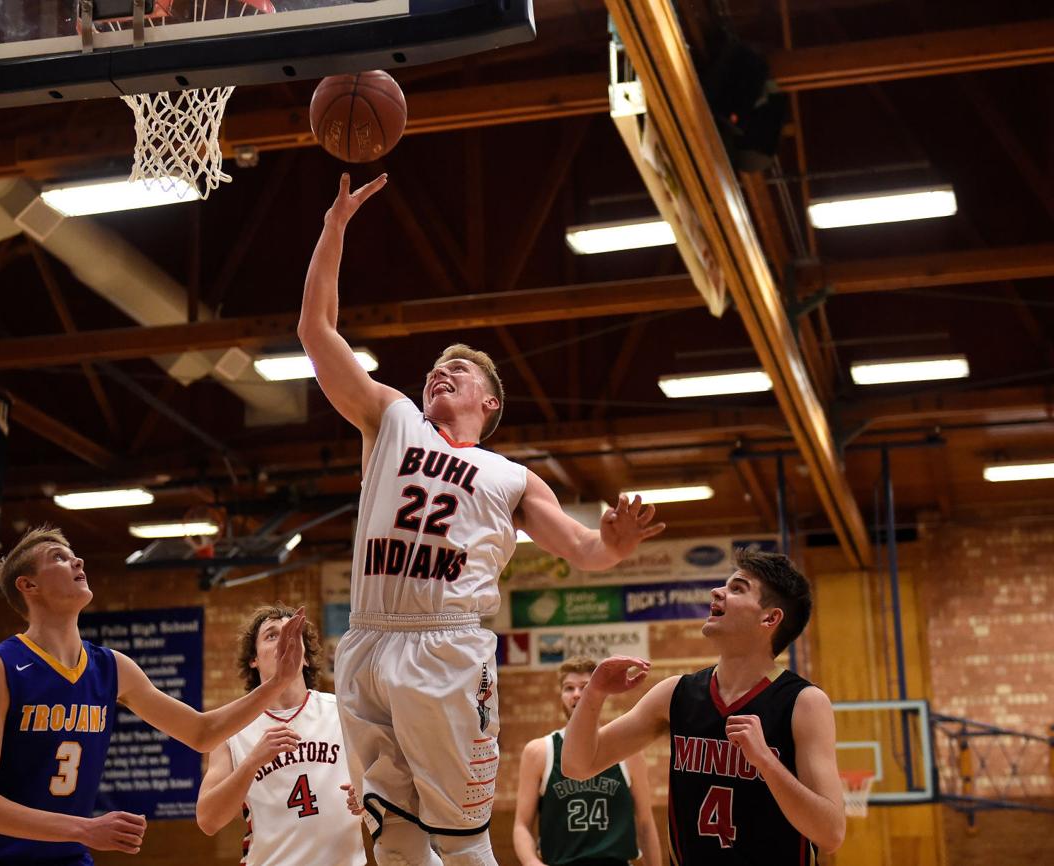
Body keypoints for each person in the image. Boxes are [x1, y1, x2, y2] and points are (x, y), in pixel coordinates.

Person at [298, 173, 667, 866]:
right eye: (438, 365)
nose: (443, 371)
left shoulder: (512, 477)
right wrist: (334, 229)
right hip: (368, 641)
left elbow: (585, 549)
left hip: (446, 652)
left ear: (490, 402)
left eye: (461, 369)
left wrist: (613, 545)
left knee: (462, 841)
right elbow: (316, 332)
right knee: (395, 836)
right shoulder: (391, 417)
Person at [0, 526, 308, 866]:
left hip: (65, 858)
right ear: (28, 585)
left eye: (74, 555)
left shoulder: (112, 667)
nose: (77, 561)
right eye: (58, 557)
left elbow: (201, 733)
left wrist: (275, 684)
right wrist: (85, 828)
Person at [562, 548, 846, 865]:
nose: (717, 591)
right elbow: (577, 766)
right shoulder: (675, 693)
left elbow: (831, 834)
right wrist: (594, 693)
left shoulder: (804, 702)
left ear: (770, 617)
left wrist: (766, 762)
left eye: (737, 588)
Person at [196, 603, 364, 866]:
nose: (284, 641)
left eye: (292, 634)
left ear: (305, 656)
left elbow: (389, 780)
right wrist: (251, 763)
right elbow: (208, 820)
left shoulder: (343, 712)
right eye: (272, 635)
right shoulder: (234, 730)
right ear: (253, 659)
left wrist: (368, 795)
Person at [513, 657, 660, 866]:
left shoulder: (629, 752)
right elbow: (521, 825)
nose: (576, 694)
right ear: (561, 695)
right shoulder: (539, 752)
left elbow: (645, 823)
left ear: (600, 691)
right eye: (568, 688)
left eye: (585, 687)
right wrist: (531, 862)